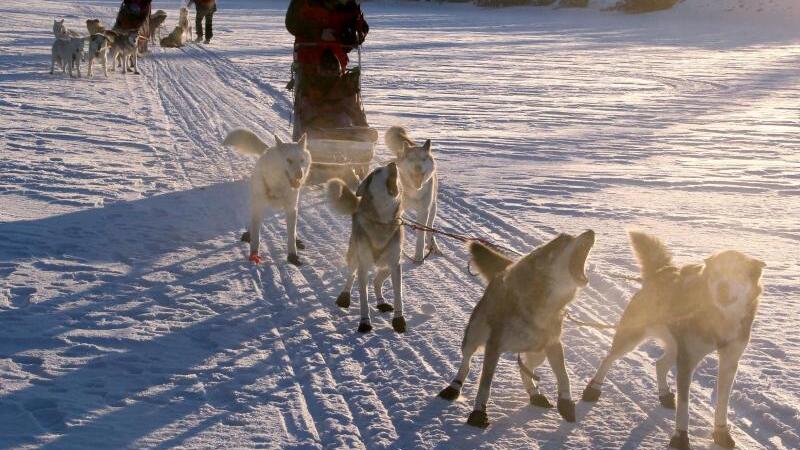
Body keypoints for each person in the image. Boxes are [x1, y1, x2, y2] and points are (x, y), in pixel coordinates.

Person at [285, 0, 369, 138]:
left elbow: (361, 26)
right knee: (310, 94)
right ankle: (309, 131)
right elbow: (292, 24)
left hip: (337, 60)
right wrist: (318, 32)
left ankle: (357, 131)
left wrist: (356, 34)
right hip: (309, 58)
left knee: (344, 93)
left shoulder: (349, 5)